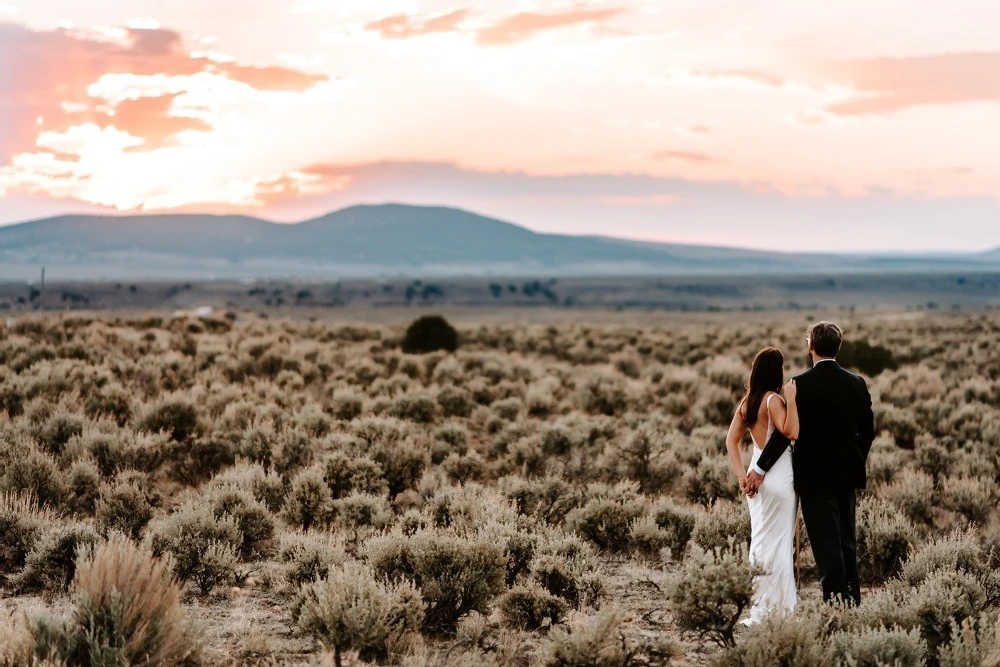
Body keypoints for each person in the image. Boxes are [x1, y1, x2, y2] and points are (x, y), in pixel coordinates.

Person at [746, 322, 876, 606]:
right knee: (846, 540)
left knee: (826, 543)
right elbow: (868, 431)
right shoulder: (857, 383)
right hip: (847, 474)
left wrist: (760, 467)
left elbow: (783, 436)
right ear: (837, 347)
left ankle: (836, 603)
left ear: (811, 346)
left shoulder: (799, 385)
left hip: (814, 477)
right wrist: (856, 458)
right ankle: (851, 601)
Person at [725, 347, 799, 625]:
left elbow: (730, 441)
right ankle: (779, 610)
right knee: (780, 543)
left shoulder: (747, 403)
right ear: (776, 372)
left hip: (757, 474)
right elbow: (790, 431)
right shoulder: (773, 401)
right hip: (779, 476)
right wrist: (791, 400)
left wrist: (742, 475)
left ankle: (761, 607)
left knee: (761, 542)